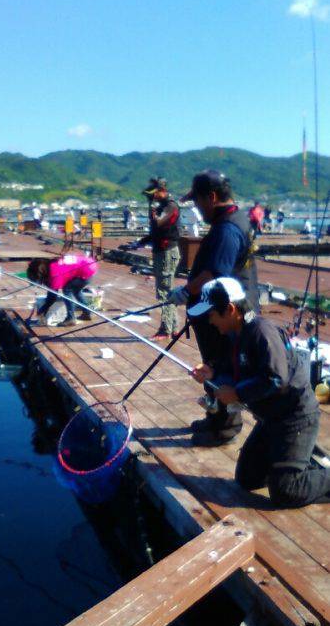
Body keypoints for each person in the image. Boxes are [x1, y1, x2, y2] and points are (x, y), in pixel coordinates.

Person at [190, 277, 330, 507]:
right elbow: (237, 370)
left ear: (230, 309)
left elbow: (277, 379)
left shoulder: (261, 331)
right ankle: (296, 461)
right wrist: (212, 373)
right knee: (247, 479)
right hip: (271, 419)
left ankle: (301, 467)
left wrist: (237, 394)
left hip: (295, 417)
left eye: (212, 314)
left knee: (286, 491)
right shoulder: (237, 334)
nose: (210, 320)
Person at [169, 170, 259, 446]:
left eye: (197, 201)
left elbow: (214, 274)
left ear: (212, 196)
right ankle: (214, 416)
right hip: (219, 311)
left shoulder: (227, 229)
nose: (196, 208)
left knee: (221, 365)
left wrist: (186, 291)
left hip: (224, 315)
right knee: (213, 364)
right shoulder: (232, 219)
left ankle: (225, 426)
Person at [137, 177, 181, 340]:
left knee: (164, 291)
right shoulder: (163, 206)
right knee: (167, 289)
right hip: (161, 250)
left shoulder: (171, 206)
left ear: (162, 191)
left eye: (154, 194)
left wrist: (152, 210)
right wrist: (142, 241)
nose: (152, 197)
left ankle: (165, 329)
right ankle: (174, 327)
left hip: (167, 252)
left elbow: (160, 223)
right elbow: (156, 230)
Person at [30, 250, 98, 327]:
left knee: (67, 289)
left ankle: (70, 319)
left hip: (86, 270)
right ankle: (87, 313)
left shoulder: (55, 272)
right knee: (76, 290)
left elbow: (52, 296)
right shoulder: (53, 264)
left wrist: (42, 310)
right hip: (89, 266)